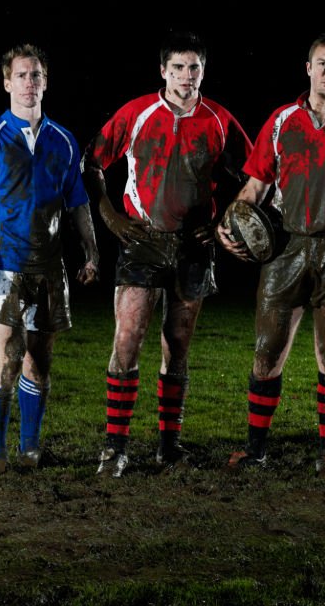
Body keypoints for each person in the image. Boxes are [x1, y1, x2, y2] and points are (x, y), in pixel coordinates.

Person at [218, 33, 325, 481]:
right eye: (322, 63)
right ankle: (256, 449)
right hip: (286, 249)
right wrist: (228, 223)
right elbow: (255, 185)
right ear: (307, 67)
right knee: (266, 353)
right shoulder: (282, 121)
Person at [84, 32, 252, 477]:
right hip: (142, 242)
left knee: (177, 345)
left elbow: (254, 174)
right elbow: (93, 162)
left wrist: (221, 225)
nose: (186, 76)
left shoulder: (218, 119)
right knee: (127, 340)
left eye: (193, 67)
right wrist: (109, 216)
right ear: (163, 71)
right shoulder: (137, 113)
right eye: (177, 67)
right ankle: (115, 446)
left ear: (203, 71)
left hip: (192, 248)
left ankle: (168, 445)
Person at [0, 44, 99, 478]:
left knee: (40, 358)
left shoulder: (63, 140)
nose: (30, 83)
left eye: (36, 75)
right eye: (21, 76)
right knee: (9, 357)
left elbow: (78, 205)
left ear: (46, 82)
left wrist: (91, 252)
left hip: (50, 267)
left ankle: (30, 450)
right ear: (6, 83)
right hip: (4, 266)